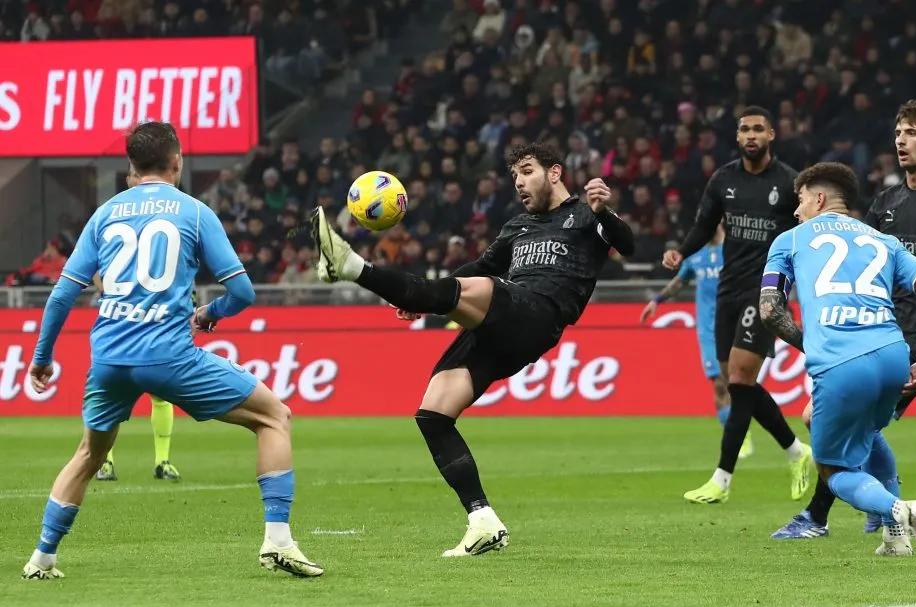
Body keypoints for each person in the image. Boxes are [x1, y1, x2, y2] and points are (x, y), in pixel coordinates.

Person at [21, 122, 322, 579]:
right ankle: (278, 540)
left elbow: (62, 295)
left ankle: (42, 558)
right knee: (273, 416)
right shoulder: (195, 212)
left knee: (88, 454)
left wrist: (41, 358)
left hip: (109, 360)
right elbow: (242, 292)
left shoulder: (104, 215)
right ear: (177, 160)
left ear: (131, 166)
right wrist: (207, 314)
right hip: (169, 357)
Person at [311, 142, 635, 557]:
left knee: (479, 291)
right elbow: (479, 268)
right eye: (515, 174)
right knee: (433, 414)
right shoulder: (517, 227)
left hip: (539, 313)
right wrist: (420, 299)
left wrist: (605, 211)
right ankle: (482, 521)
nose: (519, 180)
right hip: (502, 324)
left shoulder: (587, 214)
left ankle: (352, 267)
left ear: (554, 173)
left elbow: (627, 246)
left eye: (528, 170)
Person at [771, 101, 916, 542]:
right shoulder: (887, 201)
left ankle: (827, 516)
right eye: (898, 131)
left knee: (823, 420)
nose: (901, 139)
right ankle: (880, 514)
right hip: (879, 328)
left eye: (912, 132)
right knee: (854, 425)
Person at [760, 161, 916, 560]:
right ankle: (893, 537)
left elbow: (769, 311)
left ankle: (896, 509)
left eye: (799, 201)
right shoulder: (884, 240)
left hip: (841, 360)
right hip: (893, 355)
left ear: (818, 197)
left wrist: (812, 344)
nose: (796, 211)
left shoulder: (790, 240)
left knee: (832, 471)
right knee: (859, 428)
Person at [662, 107, 812, 504]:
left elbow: (807, 232)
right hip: (727, 291)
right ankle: (797, 452)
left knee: (742, 379)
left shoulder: (789, 181)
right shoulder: (723, 179)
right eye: (744, 128)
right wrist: (681, 251)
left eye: (758, 129)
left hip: (765, 292)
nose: (750, 135)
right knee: (737, 384)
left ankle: (722, 479)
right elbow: (703, 224)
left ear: (771, 135)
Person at [92, 166, 180, 483]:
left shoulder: (114, 214)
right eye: (131, 175)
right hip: (121, 318)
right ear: (128, 180)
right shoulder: (113, 214)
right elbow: (93, 264)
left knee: (159, 393)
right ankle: (104, 462)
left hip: (153, 317)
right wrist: (110, 293)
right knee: (111, 392)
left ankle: (162, 461)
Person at [642, 224, 753, 458]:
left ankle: (740, 428)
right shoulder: (696, 256)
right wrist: (658, 300)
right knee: (719, 384)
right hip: (707, 330)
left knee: (736, 381)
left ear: (720, 219)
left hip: (735, 324)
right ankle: (736, 435)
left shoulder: (735, 250)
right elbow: (680, 282)